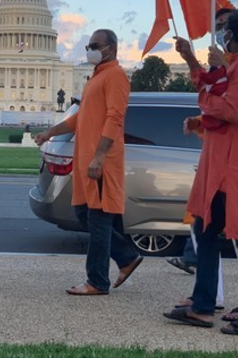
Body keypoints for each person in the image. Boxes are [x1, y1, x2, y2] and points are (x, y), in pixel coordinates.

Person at [163, 8, 238, 336]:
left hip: (234, 169)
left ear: (231, 35)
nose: (220, 33)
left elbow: (231, 108)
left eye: (224, 29)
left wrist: (203, 100)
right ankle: (201, 306)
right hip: (226, 166)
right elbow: (220, 94)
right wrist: (192, 61)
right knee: (206, 231)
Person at [34, 29, 142, 295]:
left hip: (100, 160)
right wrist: (51, 132)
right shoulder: (96, 78)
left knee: (98, 218)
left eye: (95, 45)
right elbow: (79, 119)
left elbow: (115, 118)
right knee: (85, 214)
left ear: (111, 49)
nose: (90, 50)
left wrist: (101, 155)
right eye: (88, 46)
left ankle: (97, 280)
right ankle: (127, 257)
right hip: (87, 160)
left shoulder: (116, 76)